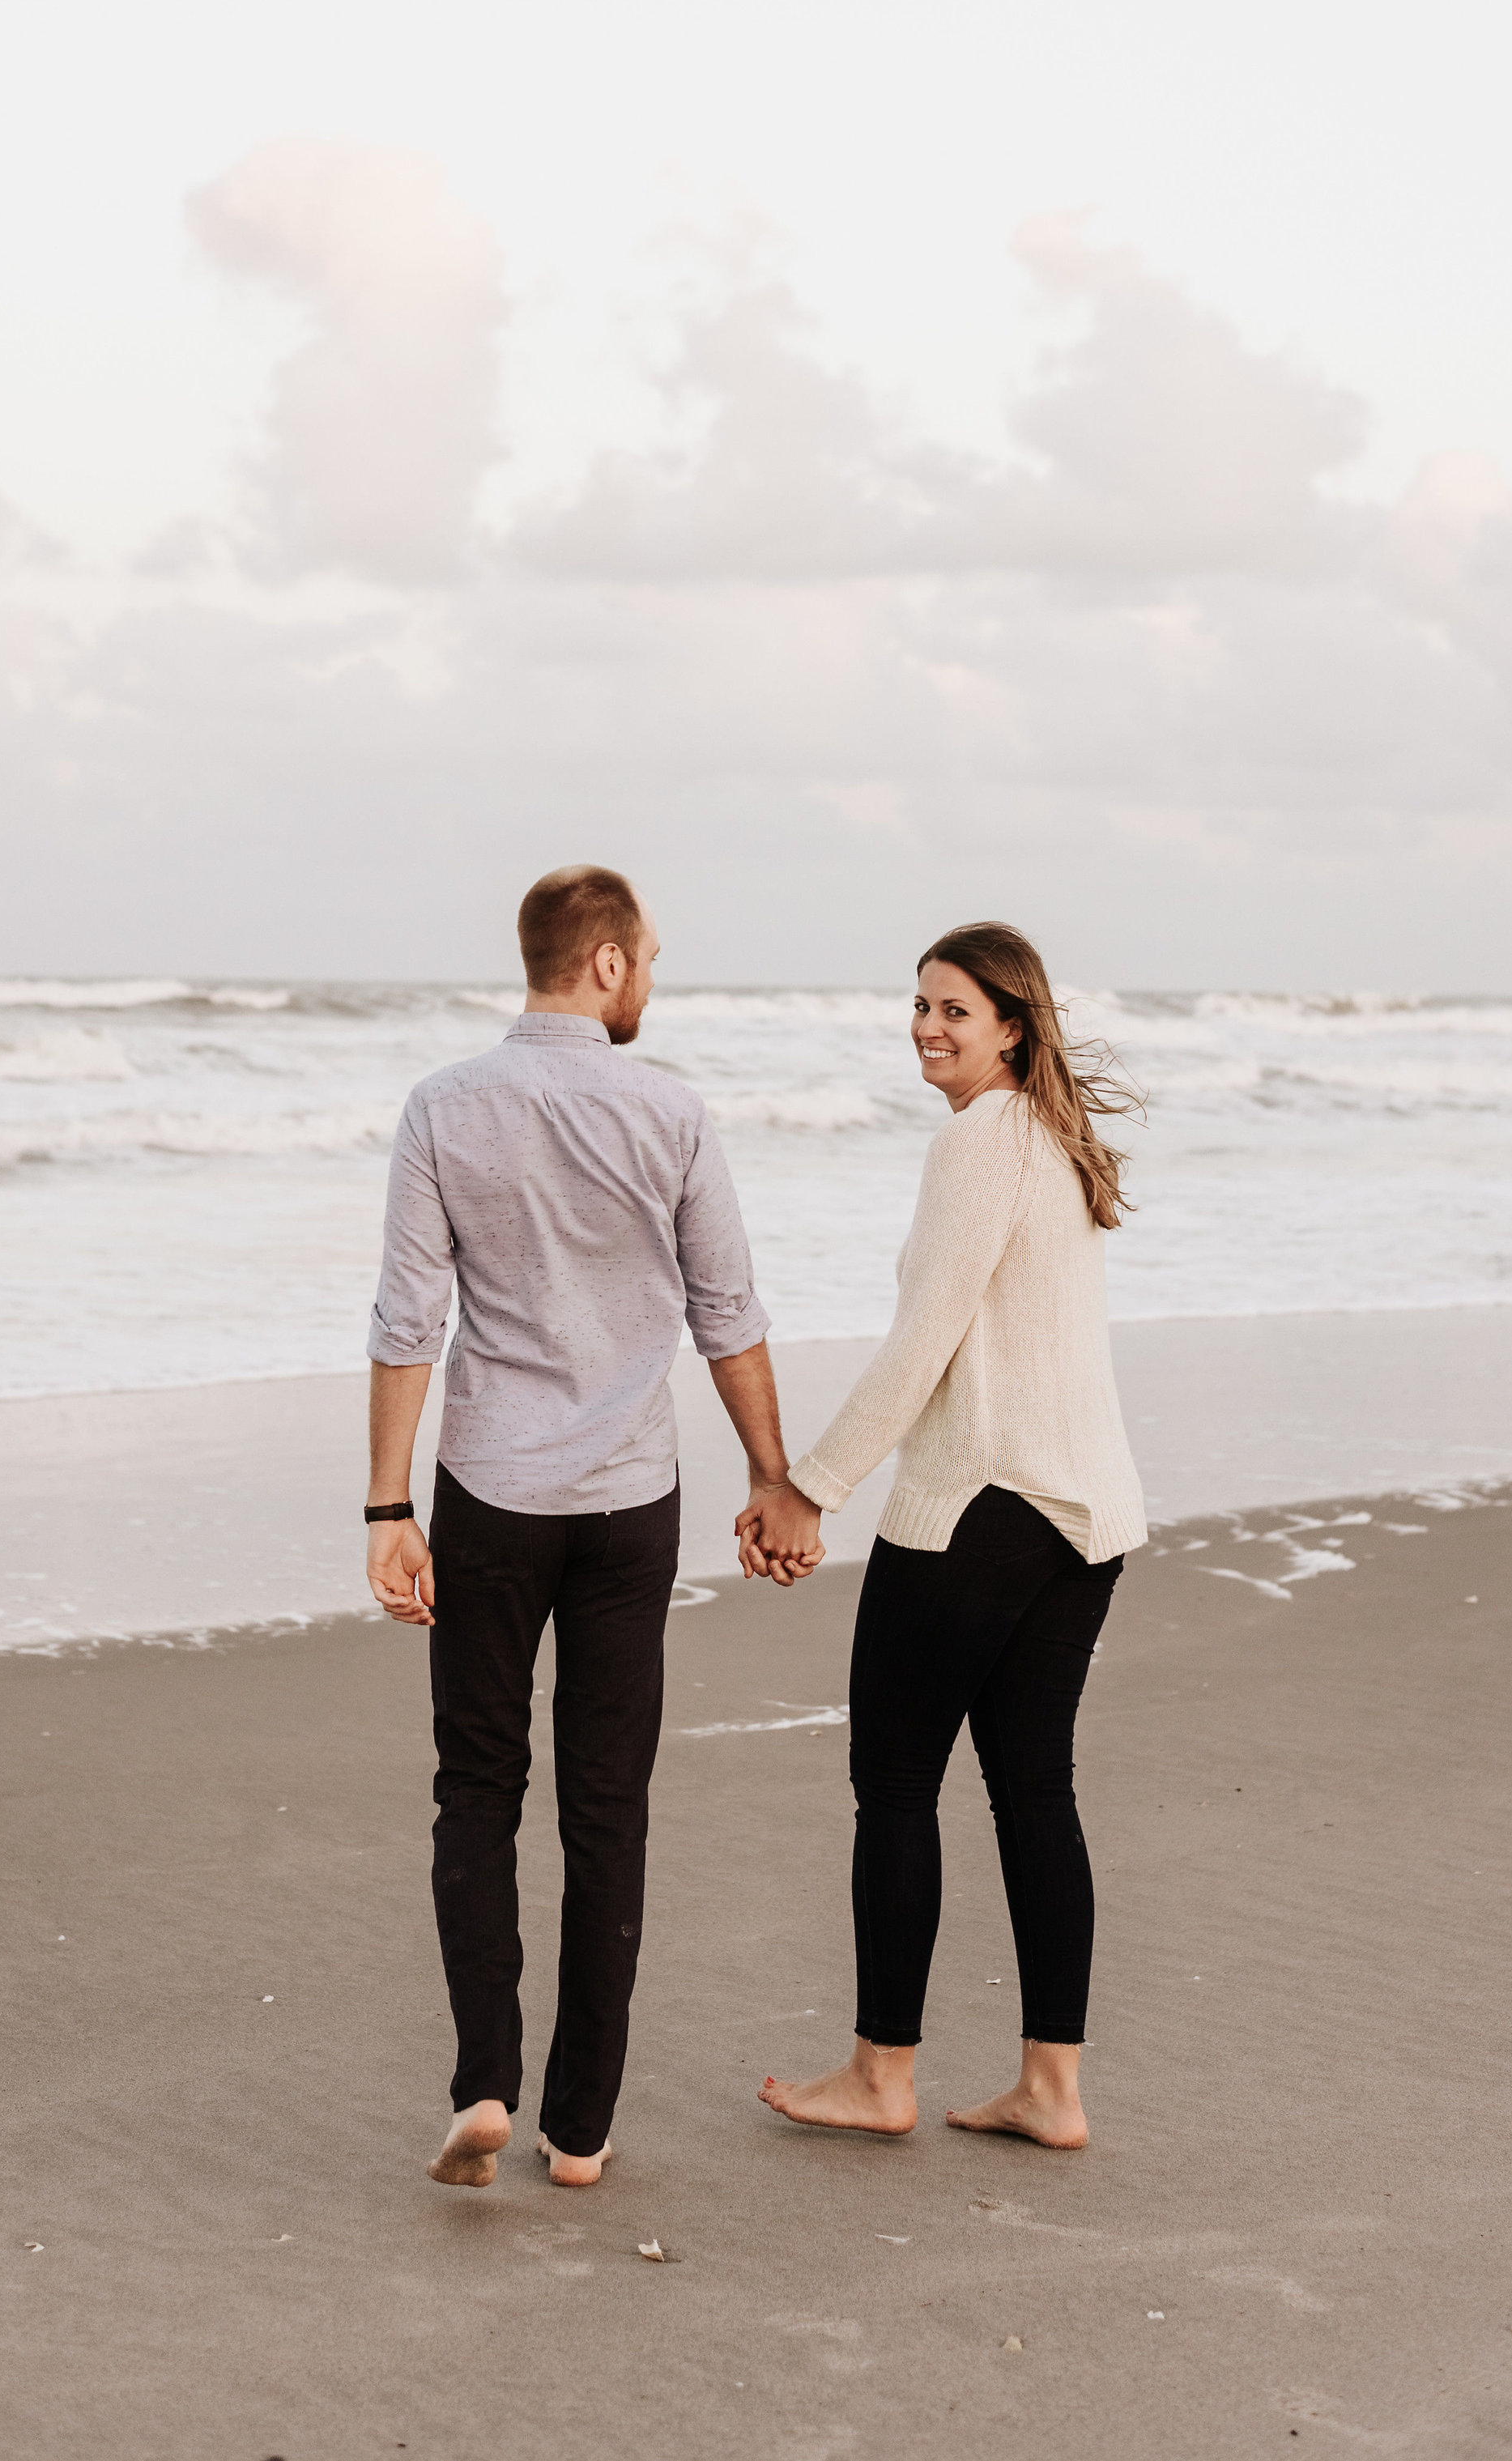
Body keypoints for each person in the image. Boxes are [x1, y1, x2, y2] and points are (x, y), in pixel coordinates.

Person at [364, 865, 817, 2192]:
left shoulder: (443, 1106)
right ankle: (580, 2128)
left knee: (476, 1789)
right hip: (628, 1506)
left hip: (490, 1494)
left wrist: (390, 1506)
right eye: (653, 959)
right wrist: (773, 1475)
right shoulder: (671, 1110)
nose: (653, 981)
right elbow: (727, 1311)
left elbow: (408, 1321)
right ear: (608, 964)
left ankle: (486, 2084)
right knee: (606, 1809)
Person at [741, 921, 1146, 2152]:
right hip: (1085, 1516)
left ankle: (881, 2074)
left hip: (979, 1509)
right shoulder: (1059, 1142)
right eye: (918, 1004)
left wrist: (809, 1485)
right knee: (1035, 1791)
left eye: (954, 1009)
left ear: (1013, 1025)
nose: (926, 1025)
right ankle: (1053, 2085)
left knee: (896, 1786)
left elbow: (923, 1344)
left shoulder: (981, 1139)